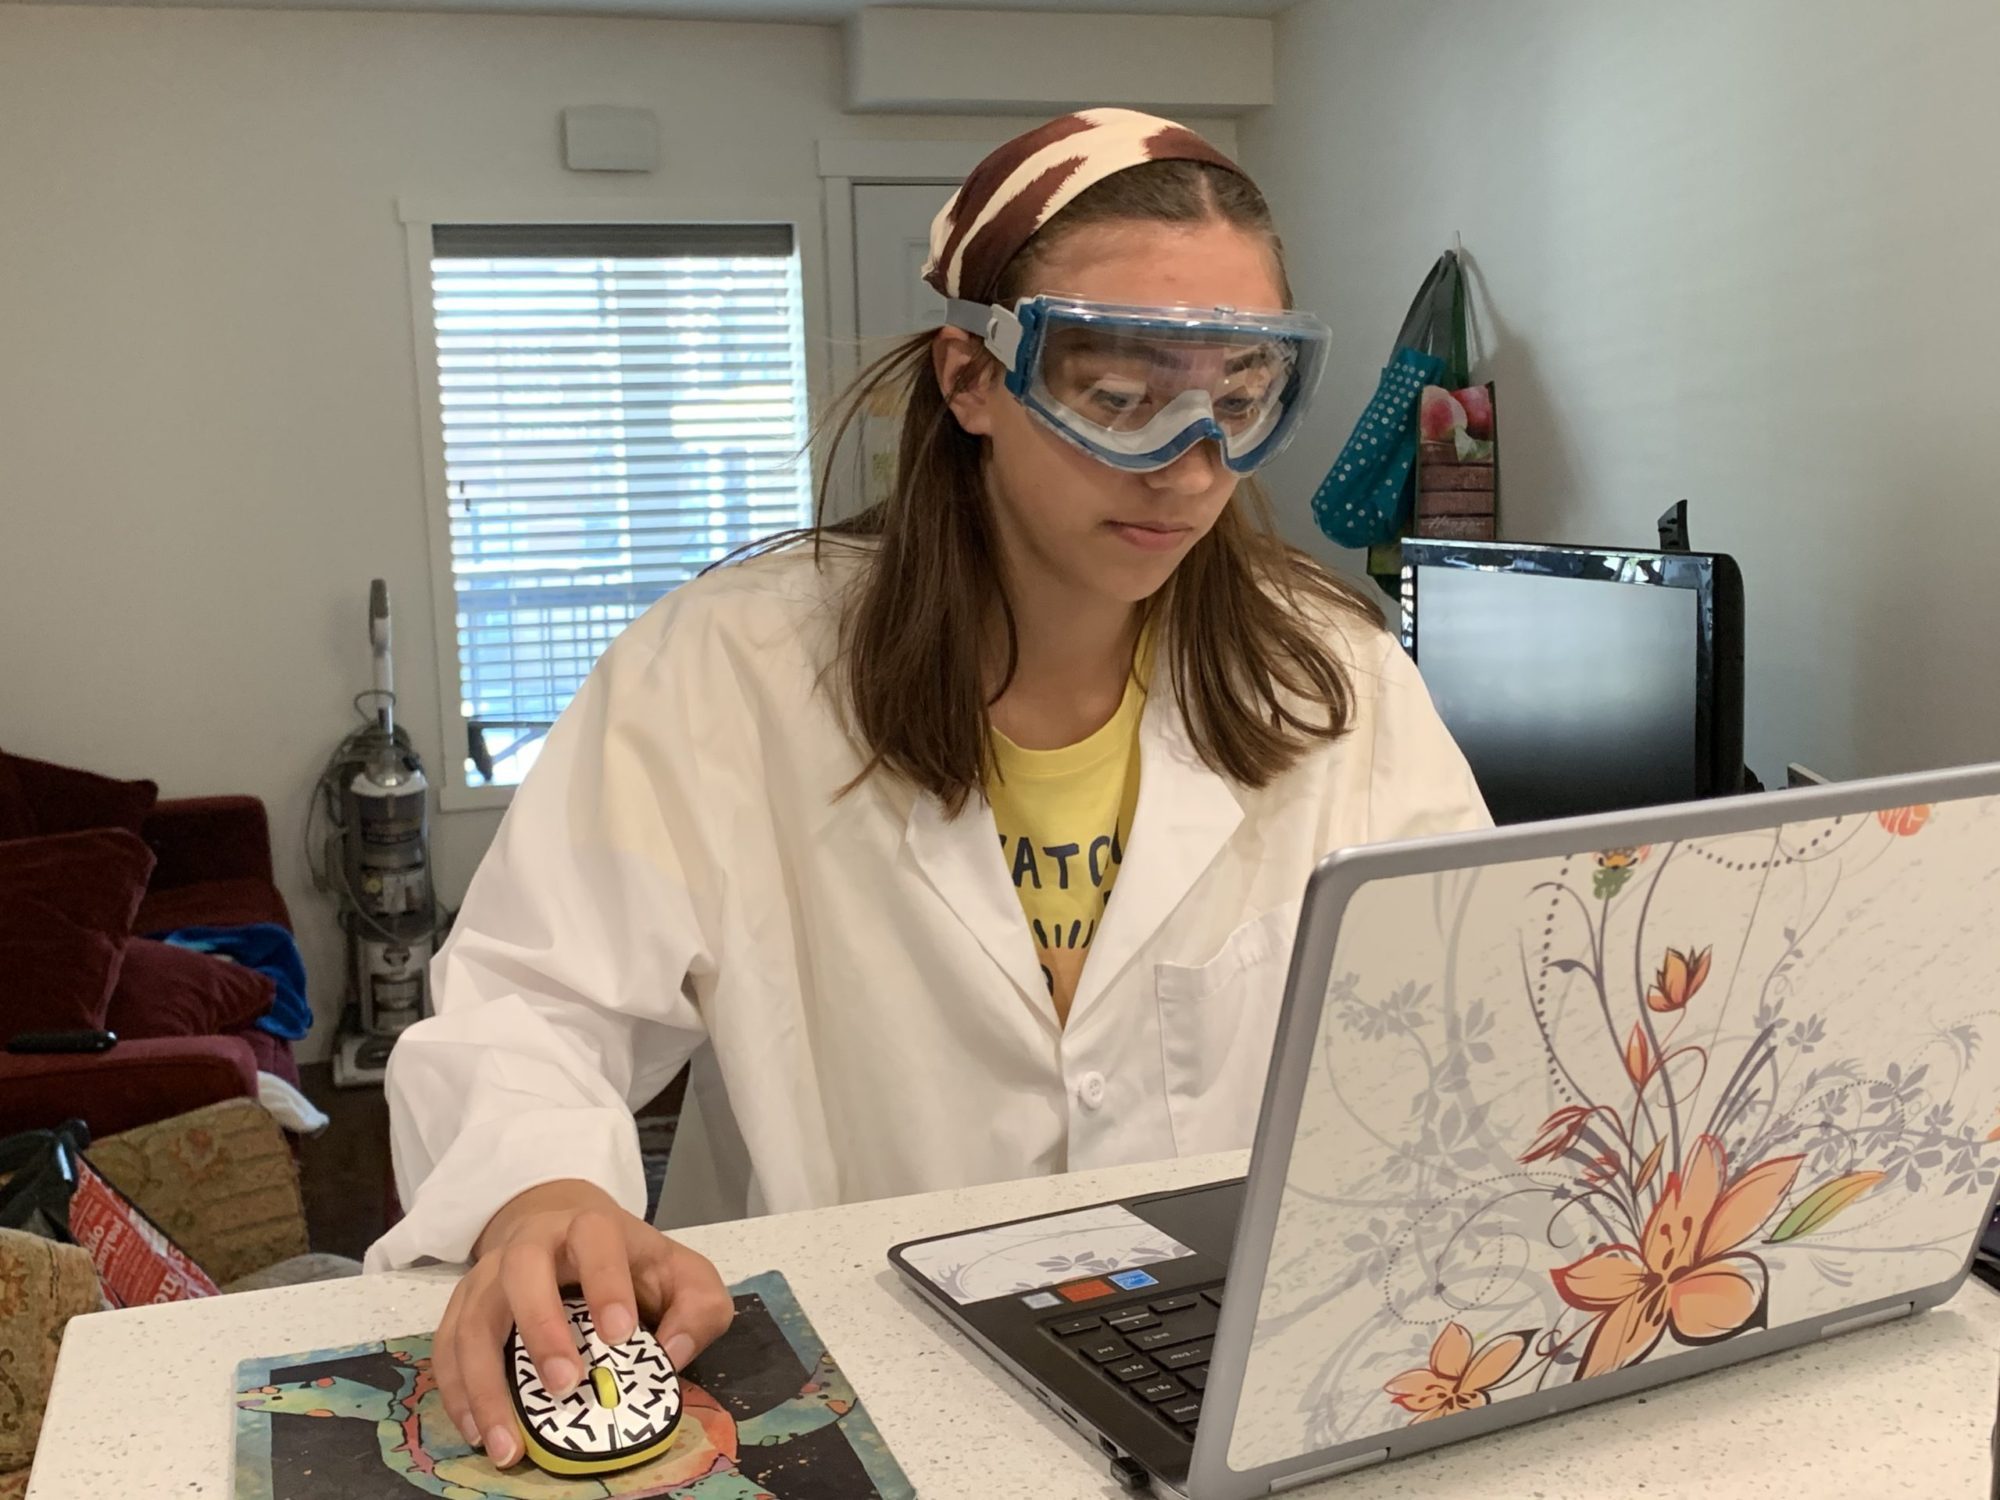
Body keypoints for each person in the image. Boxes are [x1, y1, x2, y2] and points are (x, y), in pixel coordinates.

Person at [366, 107, 1489, 1468]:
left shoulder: (1338, 684)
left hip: (1226, 1378)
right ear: (972, 377)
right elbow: (533, 1007)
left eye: (1240, 395)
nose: (1192, 461)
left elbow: (1467, 1014)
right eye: (1123, 394)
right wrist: (538, 1192)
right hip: (849, 1389)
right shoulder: (729, 671)